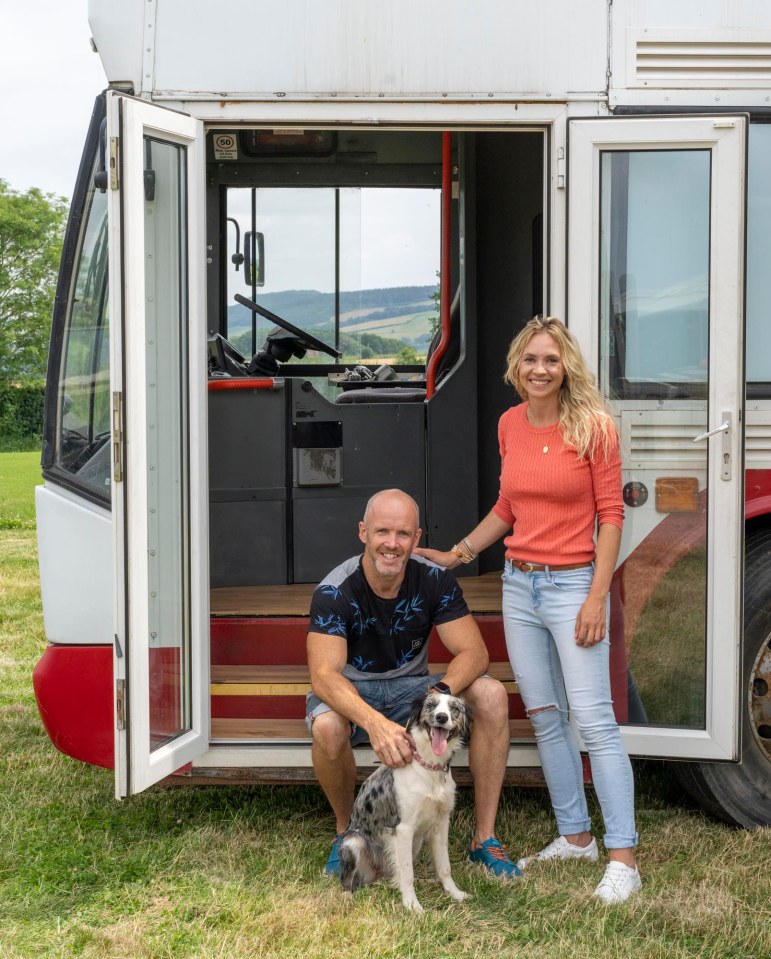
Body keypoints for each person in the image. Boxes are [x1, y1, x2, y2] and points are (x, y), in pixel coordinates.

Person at [414, 316, 641, 905]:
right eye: (530, 360)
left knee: (594, 722)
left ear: (567, 367)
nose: (539, 370)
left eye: (551, 360)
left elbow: (611, 515)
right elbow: (510, 504)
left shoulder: (594, 427)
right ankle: (575, 836)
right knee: (544, 714)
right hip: (521, 586)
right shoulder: (510, 423)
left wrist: (597, 594)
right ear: (516, 366)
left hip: (573, 588)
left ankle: (623, 858)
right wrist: (461, 552)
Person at [306, 488, 521, 879]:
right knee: (327, 727)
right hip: (354, 689)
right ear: (363, 533)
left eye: (402, 534)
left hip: (415, 687)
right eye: (382, 532)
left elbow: (474, 653)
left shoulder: (434, 580)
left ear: (417, 538)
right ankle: (345, 834)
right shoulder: (334, 589)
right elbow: (323, 675)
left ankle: (484, 839)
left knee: (490, 694)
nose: (392, 544)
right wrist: (375, 724)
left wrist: (439, 694)